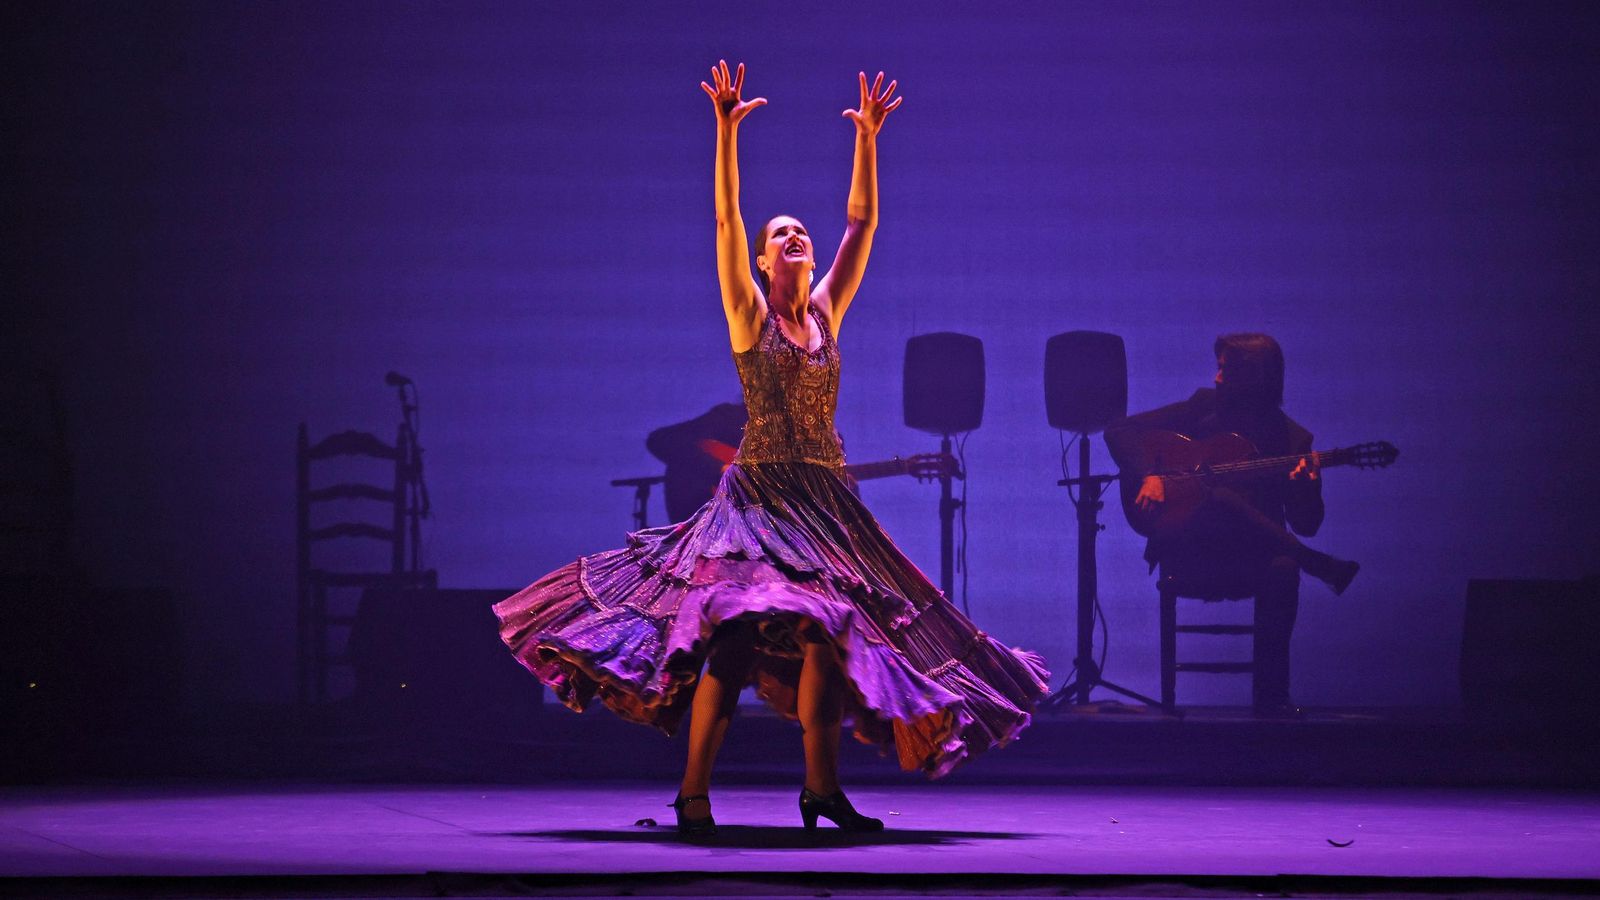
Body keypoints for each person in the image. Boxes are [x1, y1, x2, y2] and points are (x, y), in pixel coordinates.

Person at [493, 61, 1048, 837]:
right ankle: (693, 793)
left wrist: (868, 139)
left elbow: (862, 226)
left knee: (828, 633)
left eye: (800, 232)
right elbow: (727, 222)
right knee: (731, 641)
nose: (794, 236)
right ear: (762, 261)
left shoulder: (825, 313)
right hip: (757, 503)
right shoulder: (751, 318)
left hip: (823, 506)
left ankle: (821, 789)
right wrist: (725, 132)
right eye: (780, 233)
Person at [1104, 333, 1359, 717]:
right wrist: (1149, 475)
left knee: (1283, 568)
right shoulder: (1201, 407)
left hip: (1251, 556)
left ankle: (1272, 699)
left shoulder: (1293, 440)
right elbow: (1118, 430)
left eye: (1226, 370)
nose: (1217, 378)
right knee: (1218, 495)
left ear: (1252, 377)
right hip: (1190, 545)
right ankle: (1316, 562)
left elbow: (1306, 523)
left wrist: (1306, 486)